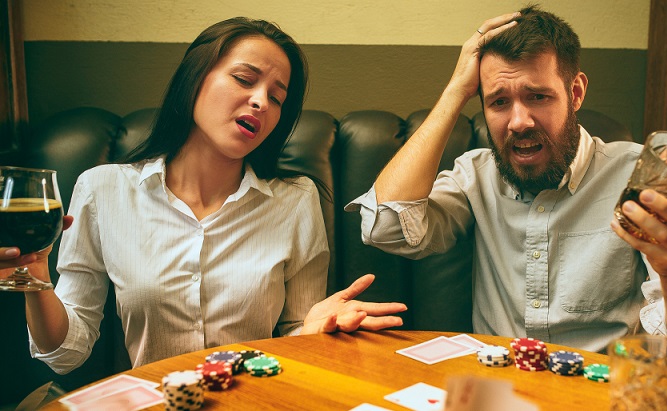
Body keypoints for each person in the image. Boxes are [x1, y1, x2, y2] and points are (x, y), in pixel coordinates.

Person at [346, 5, 667, 373]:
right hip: (496, 390)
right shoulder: (476, 174)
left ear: (575, 94)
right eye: (498, 102)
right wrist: (456, 91)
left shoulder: (639, 176)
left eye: (537, 96)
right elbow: (383, 227)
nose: (519, 121)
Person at [0, 17, 406, 375]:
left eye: (277, 97)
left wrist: (314, 333)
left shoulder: (296, 200)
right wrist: (35, 273)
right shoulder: (102, 188)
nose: (261, 101)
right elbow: (65, 354)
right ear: (195, 78)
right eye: (245, 80)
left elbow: (296, 333)